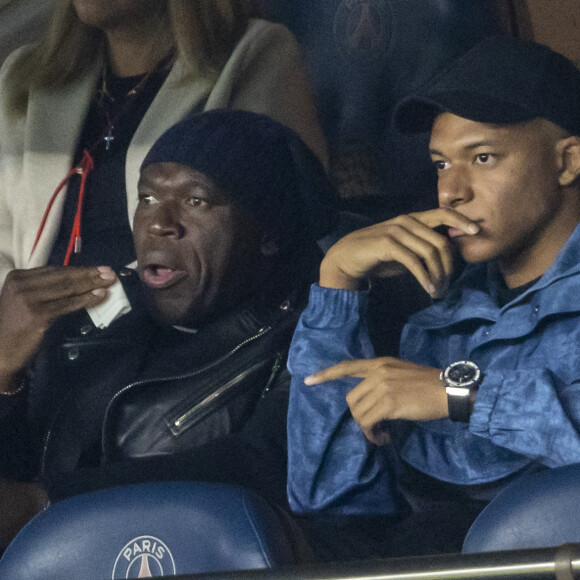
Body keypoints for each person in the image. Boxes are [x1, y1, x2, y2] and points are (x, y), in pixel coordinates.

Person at [286, 36, 580, 559]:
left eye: (483, 158)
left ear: (568, 161)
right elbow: (331, 506)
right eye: (442, 164)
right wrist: (337, 285)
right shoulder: (435, 313)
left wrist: (460, 395)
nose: (451, 192)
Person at [0, 109, 337, 550]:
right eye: (147, 198)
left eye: (196, 201)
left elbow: (261, 466)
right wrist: (4, 371)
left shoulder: (315, 333)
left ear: (268, 233)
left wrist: (43, 505)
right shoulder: (87, 321)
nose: (159, 223)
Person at [0, 0, 327, 292]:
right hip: (35, 351)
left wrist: (95, 308)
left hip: (179, 348)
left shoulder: (254, 53)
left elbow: (278, 238)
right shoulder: (24, 77)